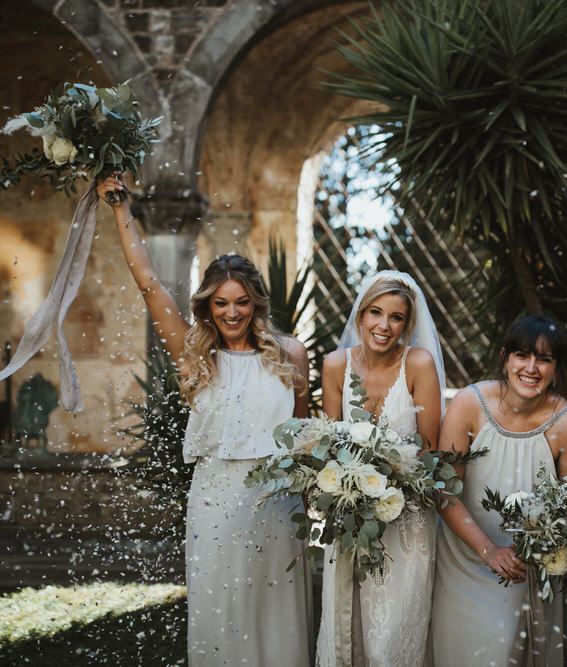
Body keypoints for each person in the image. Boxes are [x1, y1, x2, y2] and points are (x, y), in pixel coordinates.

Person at [96, 174, 313, 666]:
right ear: (207, 306)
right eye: (220, 303)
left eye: (240, 302)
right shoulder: (195, 356)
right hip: (215, 498)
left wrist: (306, 507)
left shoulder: (291, 354)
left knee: (276, 611)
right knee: (222, 607)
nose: (231, 312)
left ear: (255, 302)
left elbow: (304, 438)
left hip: (278, 501)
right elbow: (149, 282)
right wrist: (121, 210)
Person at [431, 314, 567, 667]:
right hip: (463, 557)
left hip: (522, 568)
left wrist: (537, 546)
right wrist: (487, 550)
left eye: (544, 359)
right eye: (522, 355)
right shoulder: (470, 404)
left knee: (503, 654)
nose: (531, 367)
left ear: (557, 368)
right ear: (505, 358)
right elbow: (444, 490)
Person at [315, 271, 444, 667]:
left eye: (396, 317)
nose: (383, 326)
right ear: (360, 316)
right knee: (346, 624)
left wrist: (392, 478)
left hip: (406, 522)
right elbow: (328, 445)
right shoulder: (335, 365)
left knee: (393, 633)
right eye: (375, 312)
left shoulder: (418, 364)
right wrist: (344, 488)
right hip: (350, 516)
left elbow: (429, 449)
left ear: (408, 324)